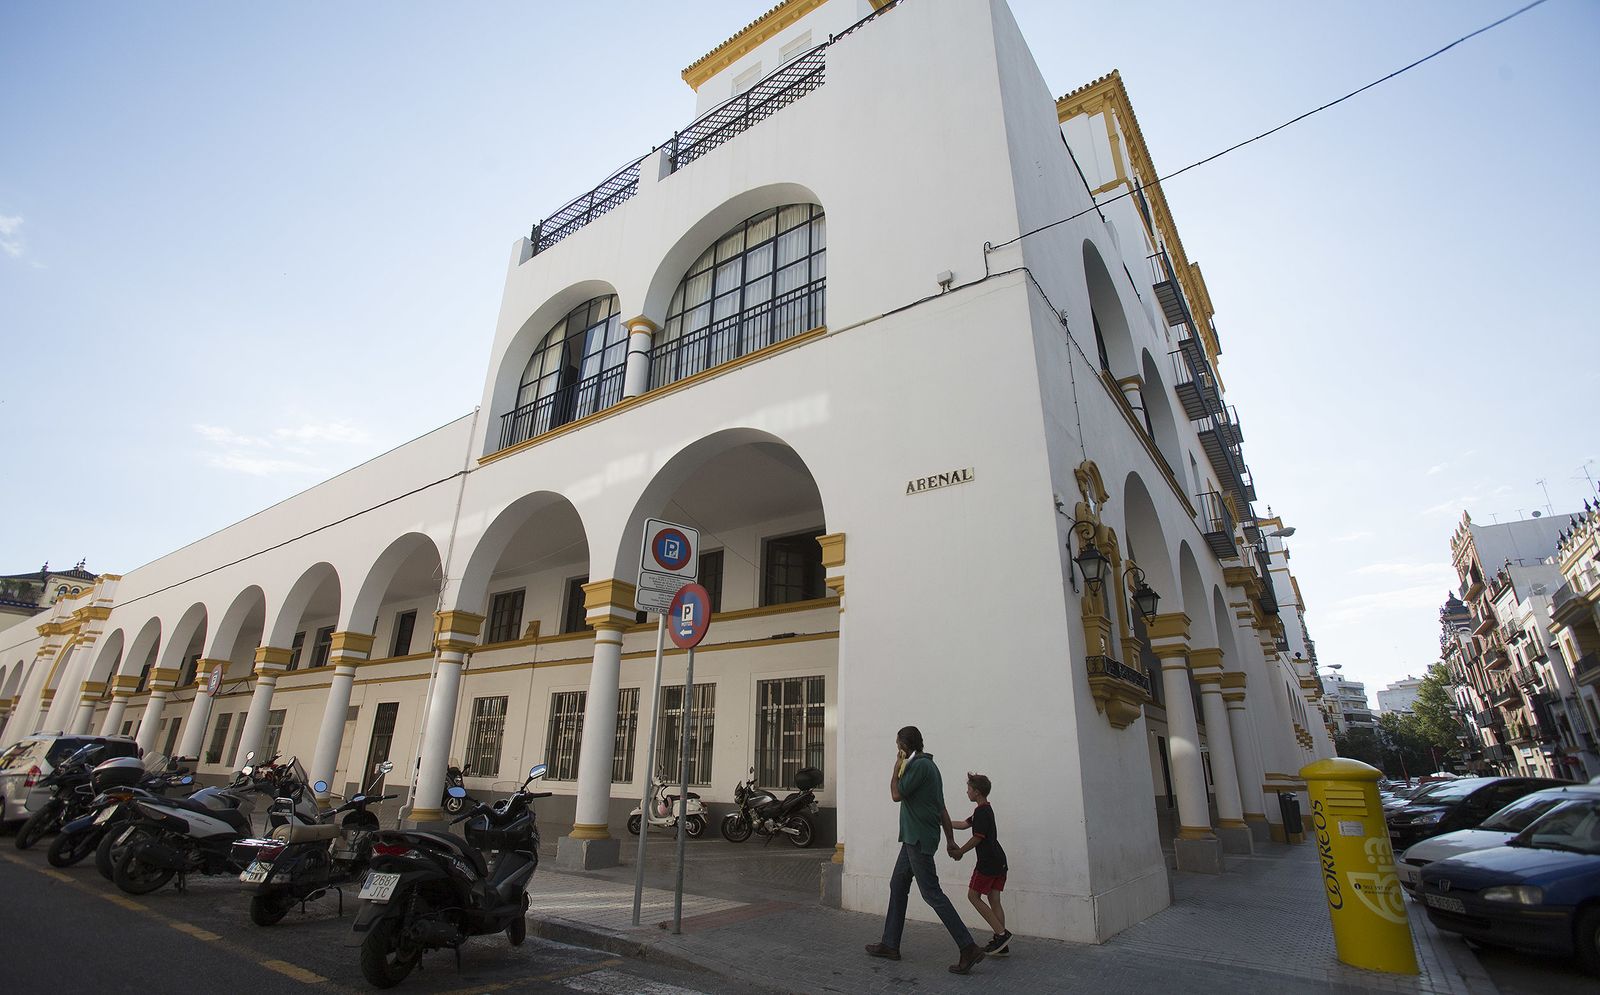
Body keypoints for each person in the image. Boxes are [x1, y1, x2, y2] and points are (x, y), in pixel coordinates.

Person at [865, 725, 986, 974]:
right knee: (898, 885)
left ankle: (968, 947)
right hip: (914, 838)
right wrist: (950, 840)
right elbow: (941, 807)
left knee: (931, 893)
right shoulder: (930, 767)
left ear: (904, 746)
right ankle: (890, 944)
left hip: (918, 838)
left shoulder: (918, 767)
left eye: (898, 744)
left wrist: (895, 769)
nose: (897, 748)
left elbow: (896, 795)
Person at [949, 772, 1010, 955]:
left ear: (977, 792)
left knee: (973, 896)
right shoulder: (984, 810)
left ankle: (1002, 934)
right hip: (999, 862)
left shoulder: (982, 812)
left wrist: (960, 851)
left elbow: (977, 837)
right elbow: (963, 824)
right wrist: (942, 821)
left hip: (987, 863)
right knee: (994, 900)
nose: (966, 792)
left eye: (968, 789)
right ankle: (1001, 944)